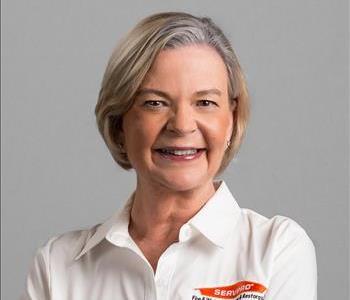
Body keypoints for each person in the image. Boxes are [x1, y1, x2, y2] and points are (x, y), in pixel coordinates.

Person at [21, 11, 317, 300]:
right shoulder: (57, 267)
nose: (182, 125)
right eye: (155, 103)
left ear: (232, 118)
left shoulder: (276, 250)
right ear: (119, 123)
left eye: (205, 102)